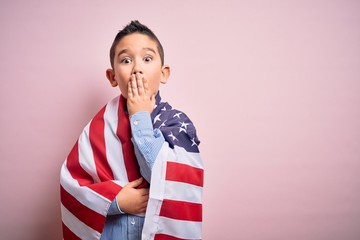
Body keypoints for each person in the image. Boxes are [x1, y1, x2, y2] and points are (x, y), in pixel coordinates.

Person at [60, 20, 204, 240]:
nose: (137, 68)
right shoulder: (98, 127)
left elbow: (166, 179)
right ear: (112, 77)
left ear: (164, 73)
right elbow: (72, 185)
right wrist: (116, 200)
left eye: (147, 59)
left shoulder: (177, 124)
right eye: (126, 60)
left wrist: (140, 117)